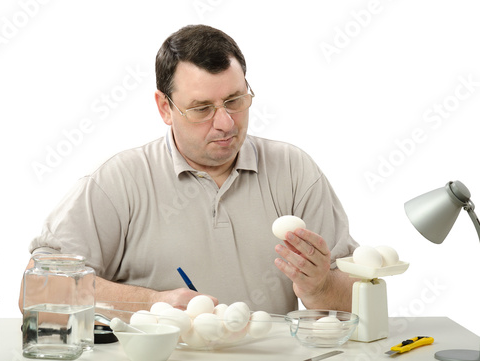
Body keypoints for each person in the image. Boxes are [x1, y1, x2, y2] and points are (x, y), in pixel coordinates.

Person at [19, 25, 359, 315]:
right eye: (201, 109)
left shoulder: (294, 171)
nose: (226, 123)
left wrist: (321, 287)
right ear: (164, 107)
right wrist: (153, 303)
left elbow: (358, 301)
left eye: (235, 101)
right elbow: (37, 289)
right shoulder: (119, 181)